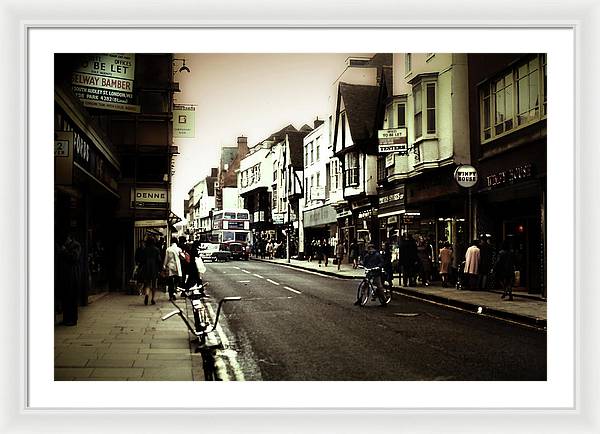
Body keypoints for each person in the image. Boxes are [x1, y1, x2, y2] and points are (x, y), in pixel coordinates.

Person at [57, 233, 82, 326]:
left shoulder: (76, 245)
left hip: (72, 276)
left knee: (72, 298)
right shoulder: (65, 246)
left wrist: (64, 251)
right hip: (65, 276)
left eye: (67, 239)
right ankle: (66, 318)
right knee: (66, 298)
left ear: (70, 238)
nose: (66, 241)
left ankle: (73, 319)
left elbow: (74, 257)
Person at [138, 236, 162, 305]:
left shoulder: (145, 250)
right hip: (154, 268)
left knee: (147, 283)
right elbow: (159, 260)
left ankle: (147, 294)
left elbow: (141, 260)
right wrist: (160, 269)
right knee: (154, 284)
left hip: (146, 268)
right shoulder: (156, 249)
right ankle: (153, 299)